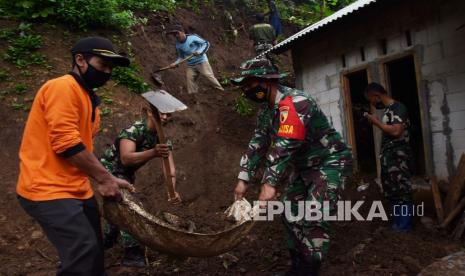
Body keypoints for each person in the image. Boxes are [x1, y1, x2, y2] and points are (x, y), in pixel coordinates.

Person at [16, 36, 134, 276]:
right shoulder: (62, 87)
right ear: (80, 60)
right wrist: (104, 179)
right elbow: (66, 144)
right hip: (47, 188)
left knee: (93, 256)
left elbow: (82, 148)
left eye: (111, 68)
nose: (107, 72)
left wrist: (106, 176)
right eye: (103, 65)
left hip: (76, 188)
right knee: (82, 252)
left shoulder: (89, 99)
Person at [231, 58, 352, 276]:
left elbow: (286, 144)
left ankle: (310, 268)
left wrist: (269, 183)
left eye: (250, 84)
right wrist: (243, 179)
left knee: (314, 214)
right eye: (244, 86)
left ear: (267, 81)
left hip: (330, 161)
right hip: (304, 167)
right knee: (289, 211)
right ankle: (298, 265)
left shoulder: (297, 102)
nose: (247, 90)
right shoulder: (266, 111)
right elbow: (258, 143)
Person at [100, 106, 181, 267]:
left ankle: (107, 241)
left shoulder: (163, 139)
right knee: (128, 208)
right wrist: (153, 152)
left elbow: (169, 169)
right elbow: (126, 158)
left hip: (127, 175)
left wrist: (172, 191)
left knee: (118, 209)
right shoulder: (133, 131)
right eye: (161, 112)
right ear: (150, 112)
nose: (164, 117)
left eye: (168, 114)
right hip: (109, 171)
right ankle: (132, 253)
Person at [363, 82, 413, 232]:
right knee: (392, 191)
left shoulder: (398, 107)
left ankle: (404, 227)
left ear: (376, 96)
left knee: (402, 191)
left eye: (370, 99)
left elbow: (397, 131)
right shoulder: (389, 110)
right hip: (389, 158)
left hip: (399, 158)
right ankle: (397, 225)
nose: (371, 103)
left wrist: (376, 121)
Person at [167, 25, 224, 94]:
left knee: (208, 76)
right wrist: (175, 63)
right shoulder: (178, 45)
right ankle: (193, 96)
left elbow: (206, 43)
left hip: (201, 61)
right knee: (190, 79)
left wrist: (200, 52)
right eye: (174, 34)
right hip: (191, 65)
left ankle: (221, 90)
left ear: (182, 32)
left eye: (177, 33)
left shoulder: (193, 37)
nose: (176, 36)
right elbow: (181, 57)